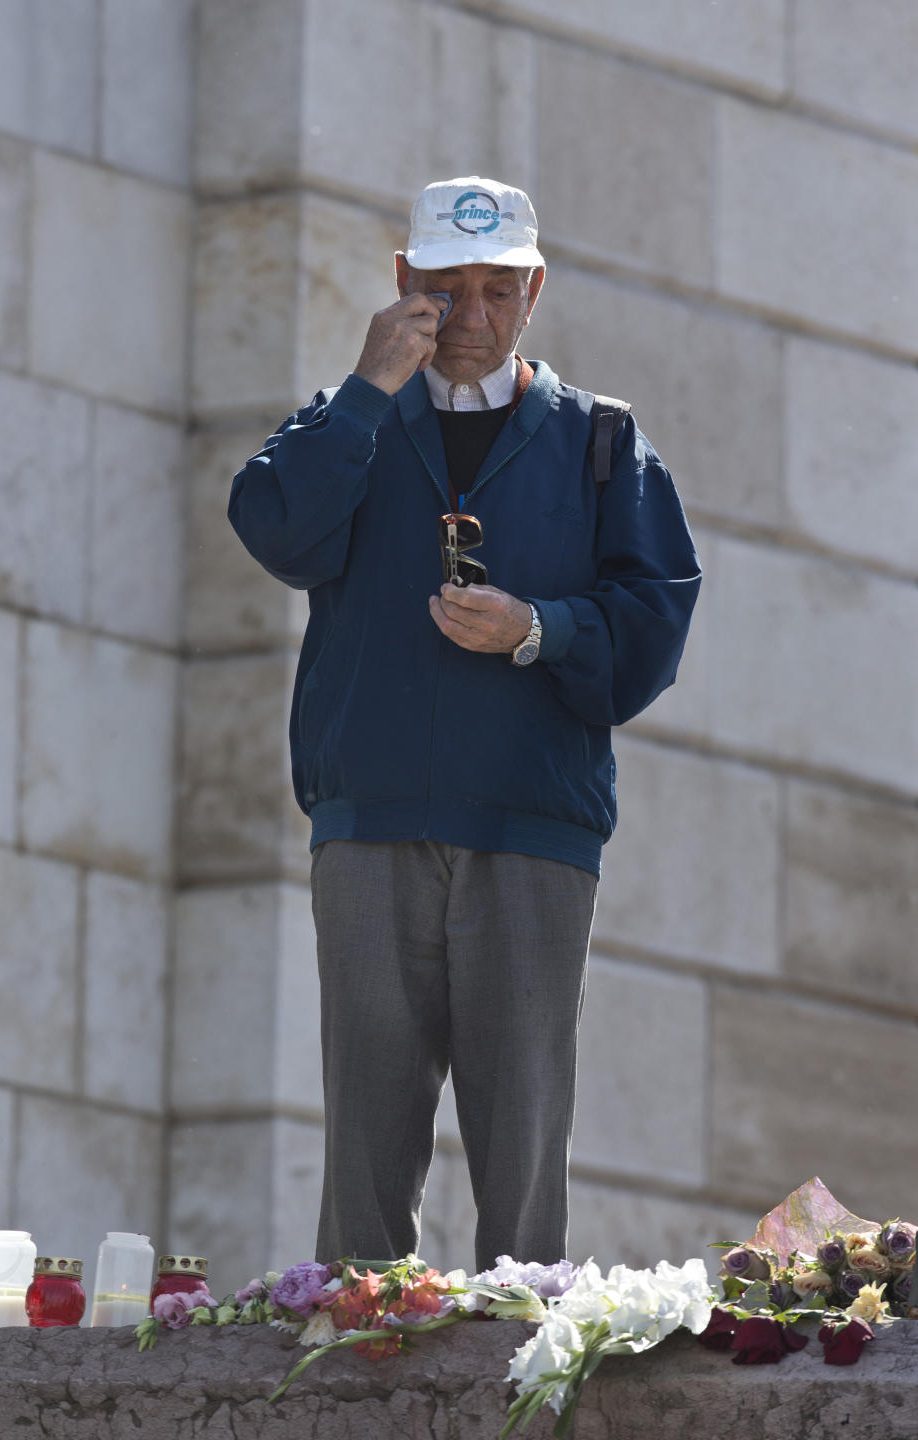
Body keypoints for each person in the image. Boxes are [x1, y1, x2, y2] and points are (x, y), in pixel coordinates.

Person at [228, 176, 701, 1272]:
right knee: (364, 1150)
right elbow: (277, 532)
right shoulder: (349, 419)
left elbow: (654, 627)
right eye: (446, 290)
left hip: (532, 830)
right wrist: (365, 388)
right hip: (371, 820)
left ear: (534, 290)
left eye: (498, 290)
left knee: (524, 1149)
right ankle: (348, 1367)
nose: (472, 317)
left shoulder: (604, 442)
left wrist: (540, 630)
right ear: (404, 284)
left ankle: (521, 1375)